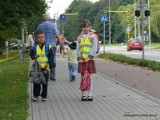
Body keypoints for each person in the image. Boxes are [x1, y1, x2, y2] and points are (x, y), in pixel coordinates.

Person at [30, 30, 55, 101]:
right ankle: (36, 95)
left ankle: (44, 96)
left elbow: (51, 57)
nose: (41, 39)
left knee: (45, 82)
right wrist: (34, 56)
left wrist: (49, 64)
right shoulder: (34, 47)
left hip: (45, 67)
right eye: (39, 37)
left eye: (42, 37)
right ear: (36, 39)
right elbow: (31, 57)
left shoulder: (48, 47)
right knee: (36, 82)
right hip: (37, 68)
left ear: (44, 38)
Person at [37, 13, 63, 82]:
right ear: (49, 18)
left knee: (43, 60)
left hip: (43, 45)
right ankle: (52, 76)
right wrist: (61, 45)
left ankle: (44, 74)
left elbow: (36, 37)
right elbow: (57, 36)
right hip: (52, 45)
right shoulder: (52, 26)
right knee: (52, 60)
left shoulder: (39, 26)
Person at [77, 19, 97, 101]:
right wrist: (79, 58)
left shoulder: (92, 36)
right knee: (82, 77)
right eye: (84, 27)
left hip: (89, 60)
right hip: (82, 60)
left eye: (87, 27)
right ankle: (83, 95)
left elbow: (94, 47)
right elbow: (78, 48)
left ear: (90, 27)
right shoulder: (79, 37)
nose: (86, 28)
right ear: (82, 28)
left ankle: (90, 94)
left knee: (89, 77)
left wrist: (90, 57)